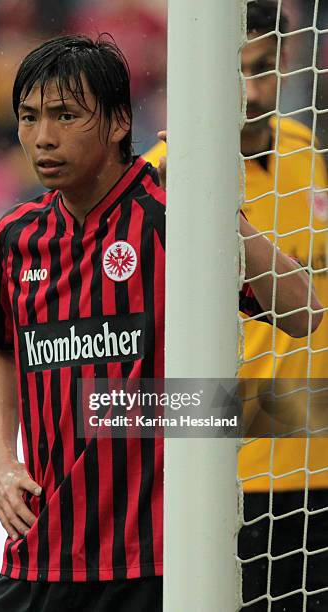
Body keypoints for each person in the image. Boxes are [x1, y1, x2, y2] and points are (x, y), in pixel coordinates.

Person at [0, 34, 321, 612]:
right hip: (41, 551)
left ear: (117, 123)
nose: (43, 137)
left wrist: (215, 208)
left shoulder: (167, 214)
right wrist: (0, 459)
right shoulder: (16, 237)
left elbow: (302, 311)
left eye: (64, 116)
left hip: (156, 564)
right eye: (29, 118)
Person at [146, 1, 328, 610]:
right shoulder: (163, 176)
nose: (252, 91)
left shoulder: (307, 153)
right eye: (238, 73)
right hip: (230, 469)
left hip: (317, 457)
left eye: (265, 68)